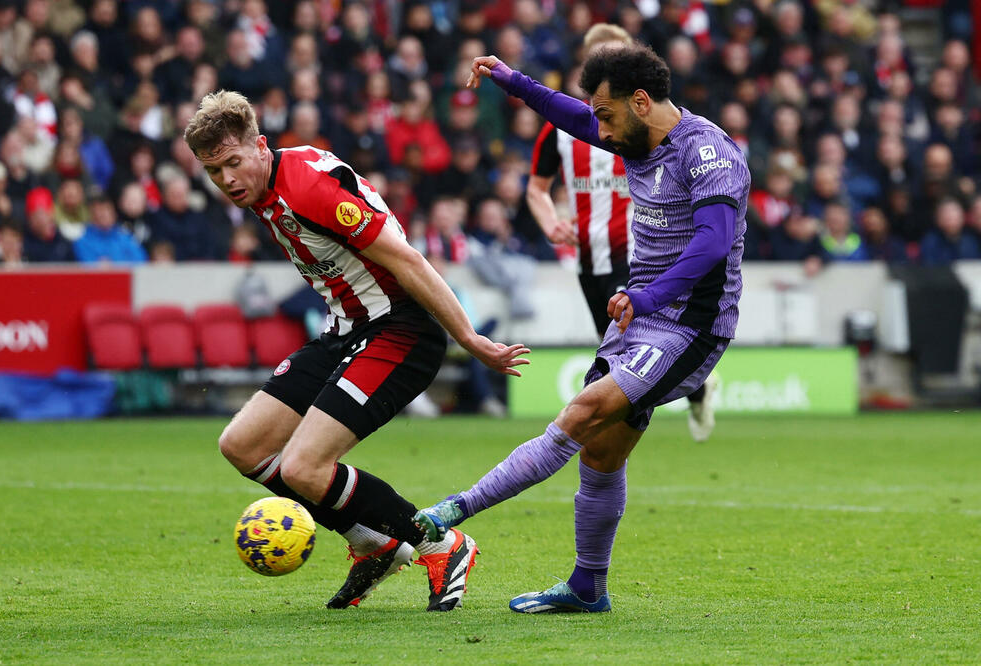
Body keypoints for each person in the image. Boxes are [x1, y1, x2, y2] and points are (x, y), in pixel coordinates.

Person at [416, 44, 749, 613]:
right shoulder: (633, 135)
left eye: (607, 115)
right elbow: (570, 115)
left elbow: (714, 243)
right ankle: (587, 587)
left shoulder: (707, 152)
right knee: (600, 452)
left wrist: (648, 295)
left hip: (689, 324)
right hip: (639, 316)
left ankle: (451, 511)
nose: (600, 129)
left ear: (640, 102)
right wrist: (511, 80)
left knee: (582, 414)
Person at [184, 90, 529, 611]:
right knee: (243, 445)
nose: (227, 179)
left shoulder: (310, 188)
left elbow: (409, 261)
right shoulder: (266, 189)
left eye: (233, 162)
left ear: (260, 146)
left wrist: (470, 338)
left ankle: (441, 543)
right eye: (214, 171)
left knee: (302, 467)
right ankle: (374, 543)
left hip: (400, 330)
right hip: (346, 330)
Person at [527, 24, 720, 443]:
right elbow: (536, 188)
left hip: (636, 253)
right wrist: (550, 221)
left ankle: (603, 441)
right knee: (614, 347)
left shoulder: (642, 125)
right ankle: (696, 387)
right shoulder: (564, 128)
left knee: (626, 351)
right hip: (588, 256)